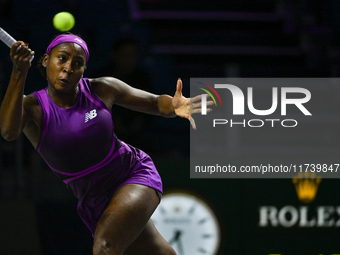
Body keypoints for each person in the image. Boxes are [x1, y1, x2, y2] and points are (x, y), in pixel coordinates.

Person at [0, 33, 207, 255]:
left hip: (132, 175)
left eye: (77, 63)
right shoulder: (31, 107)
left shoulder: (102, 88)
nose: (68, 67)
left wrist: (175, 106)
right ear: (45, 60)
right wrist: (18, 71)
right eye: (62, 58)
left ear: (83, 70)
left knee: (105, 247)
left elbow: (156, 103)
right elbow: (8, 132)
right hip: (94, 200)